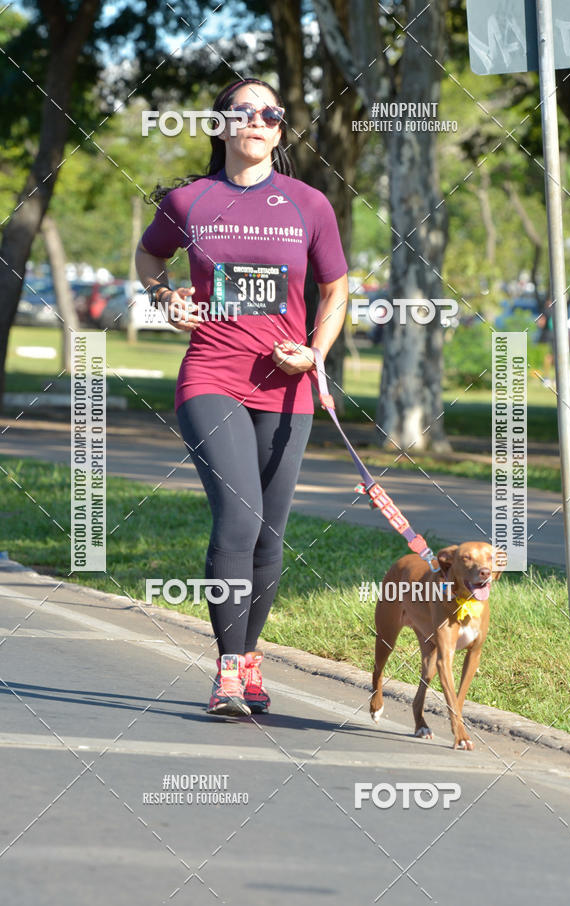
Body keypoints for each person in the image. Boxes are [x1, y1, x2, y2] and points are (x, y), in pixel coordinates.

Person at [136, 77, 348, 717]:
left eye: (271, 114)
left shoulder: (310, 204)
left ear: (281, 130)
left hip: (287, 387)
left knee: (270, 533)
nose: (258, 121)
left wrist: (315, 353)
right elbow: (150, 260)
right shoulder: (190, 200)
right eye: (243, 112)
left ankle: (250, 658)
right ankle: (227, 671)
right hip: (211, 375)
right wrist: (166, 296)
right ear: (220, 125)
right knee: (239, 517)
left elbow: (336, 291)